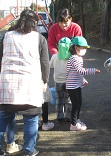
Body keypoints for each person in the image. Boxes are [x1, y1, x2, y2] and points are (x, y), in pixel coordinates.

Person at [0, 9, 50, 156]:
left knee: (3, 118)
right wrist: (45, 81)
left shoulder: (7, 36)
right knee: (31, 119)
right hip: (30, 84)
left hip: (7, 84)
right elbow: (45, 63)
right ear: (35, 22)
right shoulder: (39, 38)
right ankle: (29, 150)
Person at [66, 36, 100, 131]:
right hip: (72, 86)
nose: (85, 50)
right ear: (76, 48)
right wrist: (93, 70)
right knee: (76, 104)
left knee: (79, 103)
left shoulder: (78, 58)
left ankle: (76, 120)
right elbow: (81, 71)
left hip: (76, 84)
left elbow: (76, 72)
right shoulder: (74, 58)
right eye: (83, 48)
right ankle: (73, 124)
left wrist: (83, 80)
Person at [50, 37, 72, 123]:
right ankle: (69, 116)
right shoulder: (71, 57)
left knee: (59, 100)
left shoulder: (55, 56)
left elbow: (50, 66)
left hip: (58, 82)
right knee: (69, 100)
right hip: (68, 82)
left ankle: (59, 116)